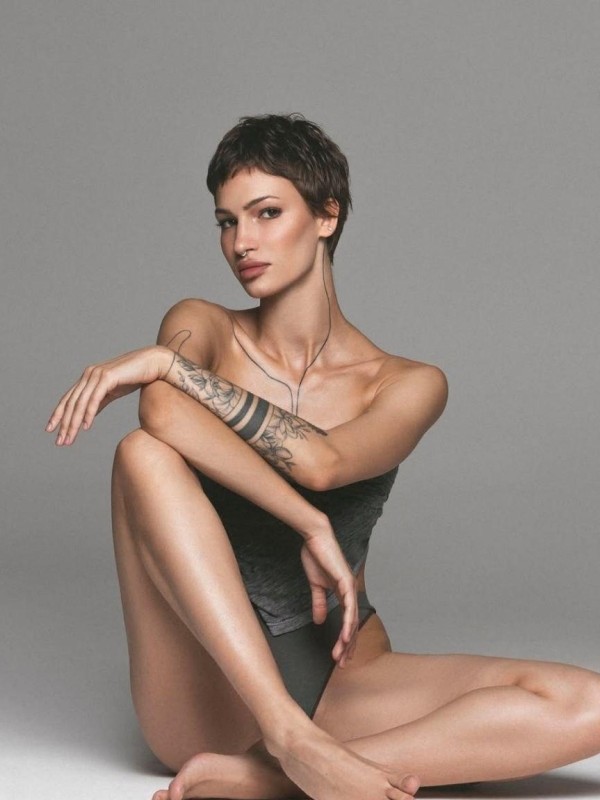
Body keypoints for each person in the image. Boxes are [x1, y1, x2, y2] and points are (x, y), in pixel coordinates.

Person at [47, 114, 600, 800]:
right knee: (142, 455)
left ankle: (269, 777)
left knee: (587, 704)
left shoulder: (405, 384)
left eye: (267, 213)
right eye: (226, 222)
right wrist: (308, 522)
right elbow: (158, 414)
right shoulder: (203, 326)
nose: (241, 242)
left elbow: (324, 464)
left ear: (326, 216)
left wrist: (166, 365)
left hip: (340, 671)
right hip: (210, 680)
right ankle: (288, 738)